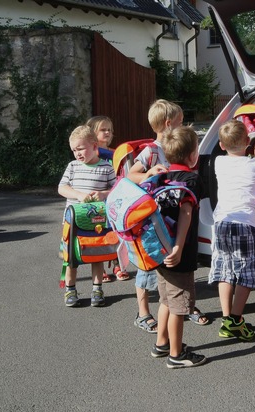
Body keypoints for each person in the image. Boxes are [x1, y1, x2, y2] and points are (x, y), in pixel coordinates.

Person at [127, 100, 208, 333]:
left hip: (170, 218)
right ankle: (143, 312)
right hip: (153, 221)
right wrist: (150, 173)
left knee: (170, 275)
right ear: (169, 123)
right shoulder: (152, 150)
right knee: (147, 266)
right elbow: (131, 175)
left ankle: (184, 308)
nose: (183, 125)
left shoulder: (177, 145)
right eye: (181, 122)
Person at [208, 119, 255, 341]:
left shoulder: (218, 162)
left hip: (221, 223)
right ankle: (236, 319)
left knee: (225, 270)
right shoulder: (254, 164)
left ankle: (225, 318)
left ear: (221, 145)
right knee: (246, 273)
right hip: (244, 225)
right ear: (248, 142)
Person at [150, 125, 207, 368]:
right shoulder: (192, 179)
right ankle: (176, 354)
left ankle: (162, 343)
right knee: (180, 307)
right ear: (193, 155)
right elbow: (186, 213)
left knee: (166, 300)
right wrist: (179, 248)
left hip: (159, 251)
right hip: (177, 254)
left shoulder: (161, 177)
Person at [58, 125, 116, 308]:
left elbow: (116, 190)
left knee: (97, 256)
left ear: (94, 145)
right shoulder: (73, 166)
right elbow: (62, 188)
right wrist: (78, 195)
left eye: (80, 148)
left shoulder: (106, 167)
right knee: (71, 258)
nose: (77, 153)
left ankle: (97, 289)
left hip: (97, 223)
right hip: (73, 223)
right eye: (74, 150)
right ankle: (70, 289)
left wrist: (104, 194)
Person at [86, 115, 129, 282]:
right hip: (96, 200)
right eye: (103, 130)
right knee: (99, 232)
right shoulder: (91, 153)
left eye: (110, 130)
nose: (108, 133)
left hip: (113, 197)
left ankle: (118, 264)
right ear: (92, 133)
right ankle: (101, 267)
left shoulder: (114, 152)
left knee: (115, 231)